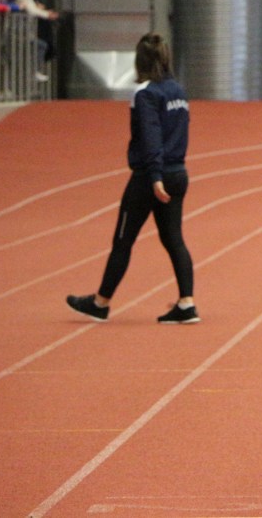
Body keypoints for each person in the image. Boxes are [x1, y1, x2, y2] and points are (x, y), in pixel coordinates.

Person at [66, 33, 198, 324]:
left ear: (140, 61)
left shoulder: (145, 93)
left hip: (150, 178)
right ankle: (187, 303)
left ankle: (100, 303)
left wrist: (154, 176)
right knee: (174, 238)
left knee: (123, 239)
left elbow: (151, 136)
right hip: (178, 172)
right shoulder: (178, 91)